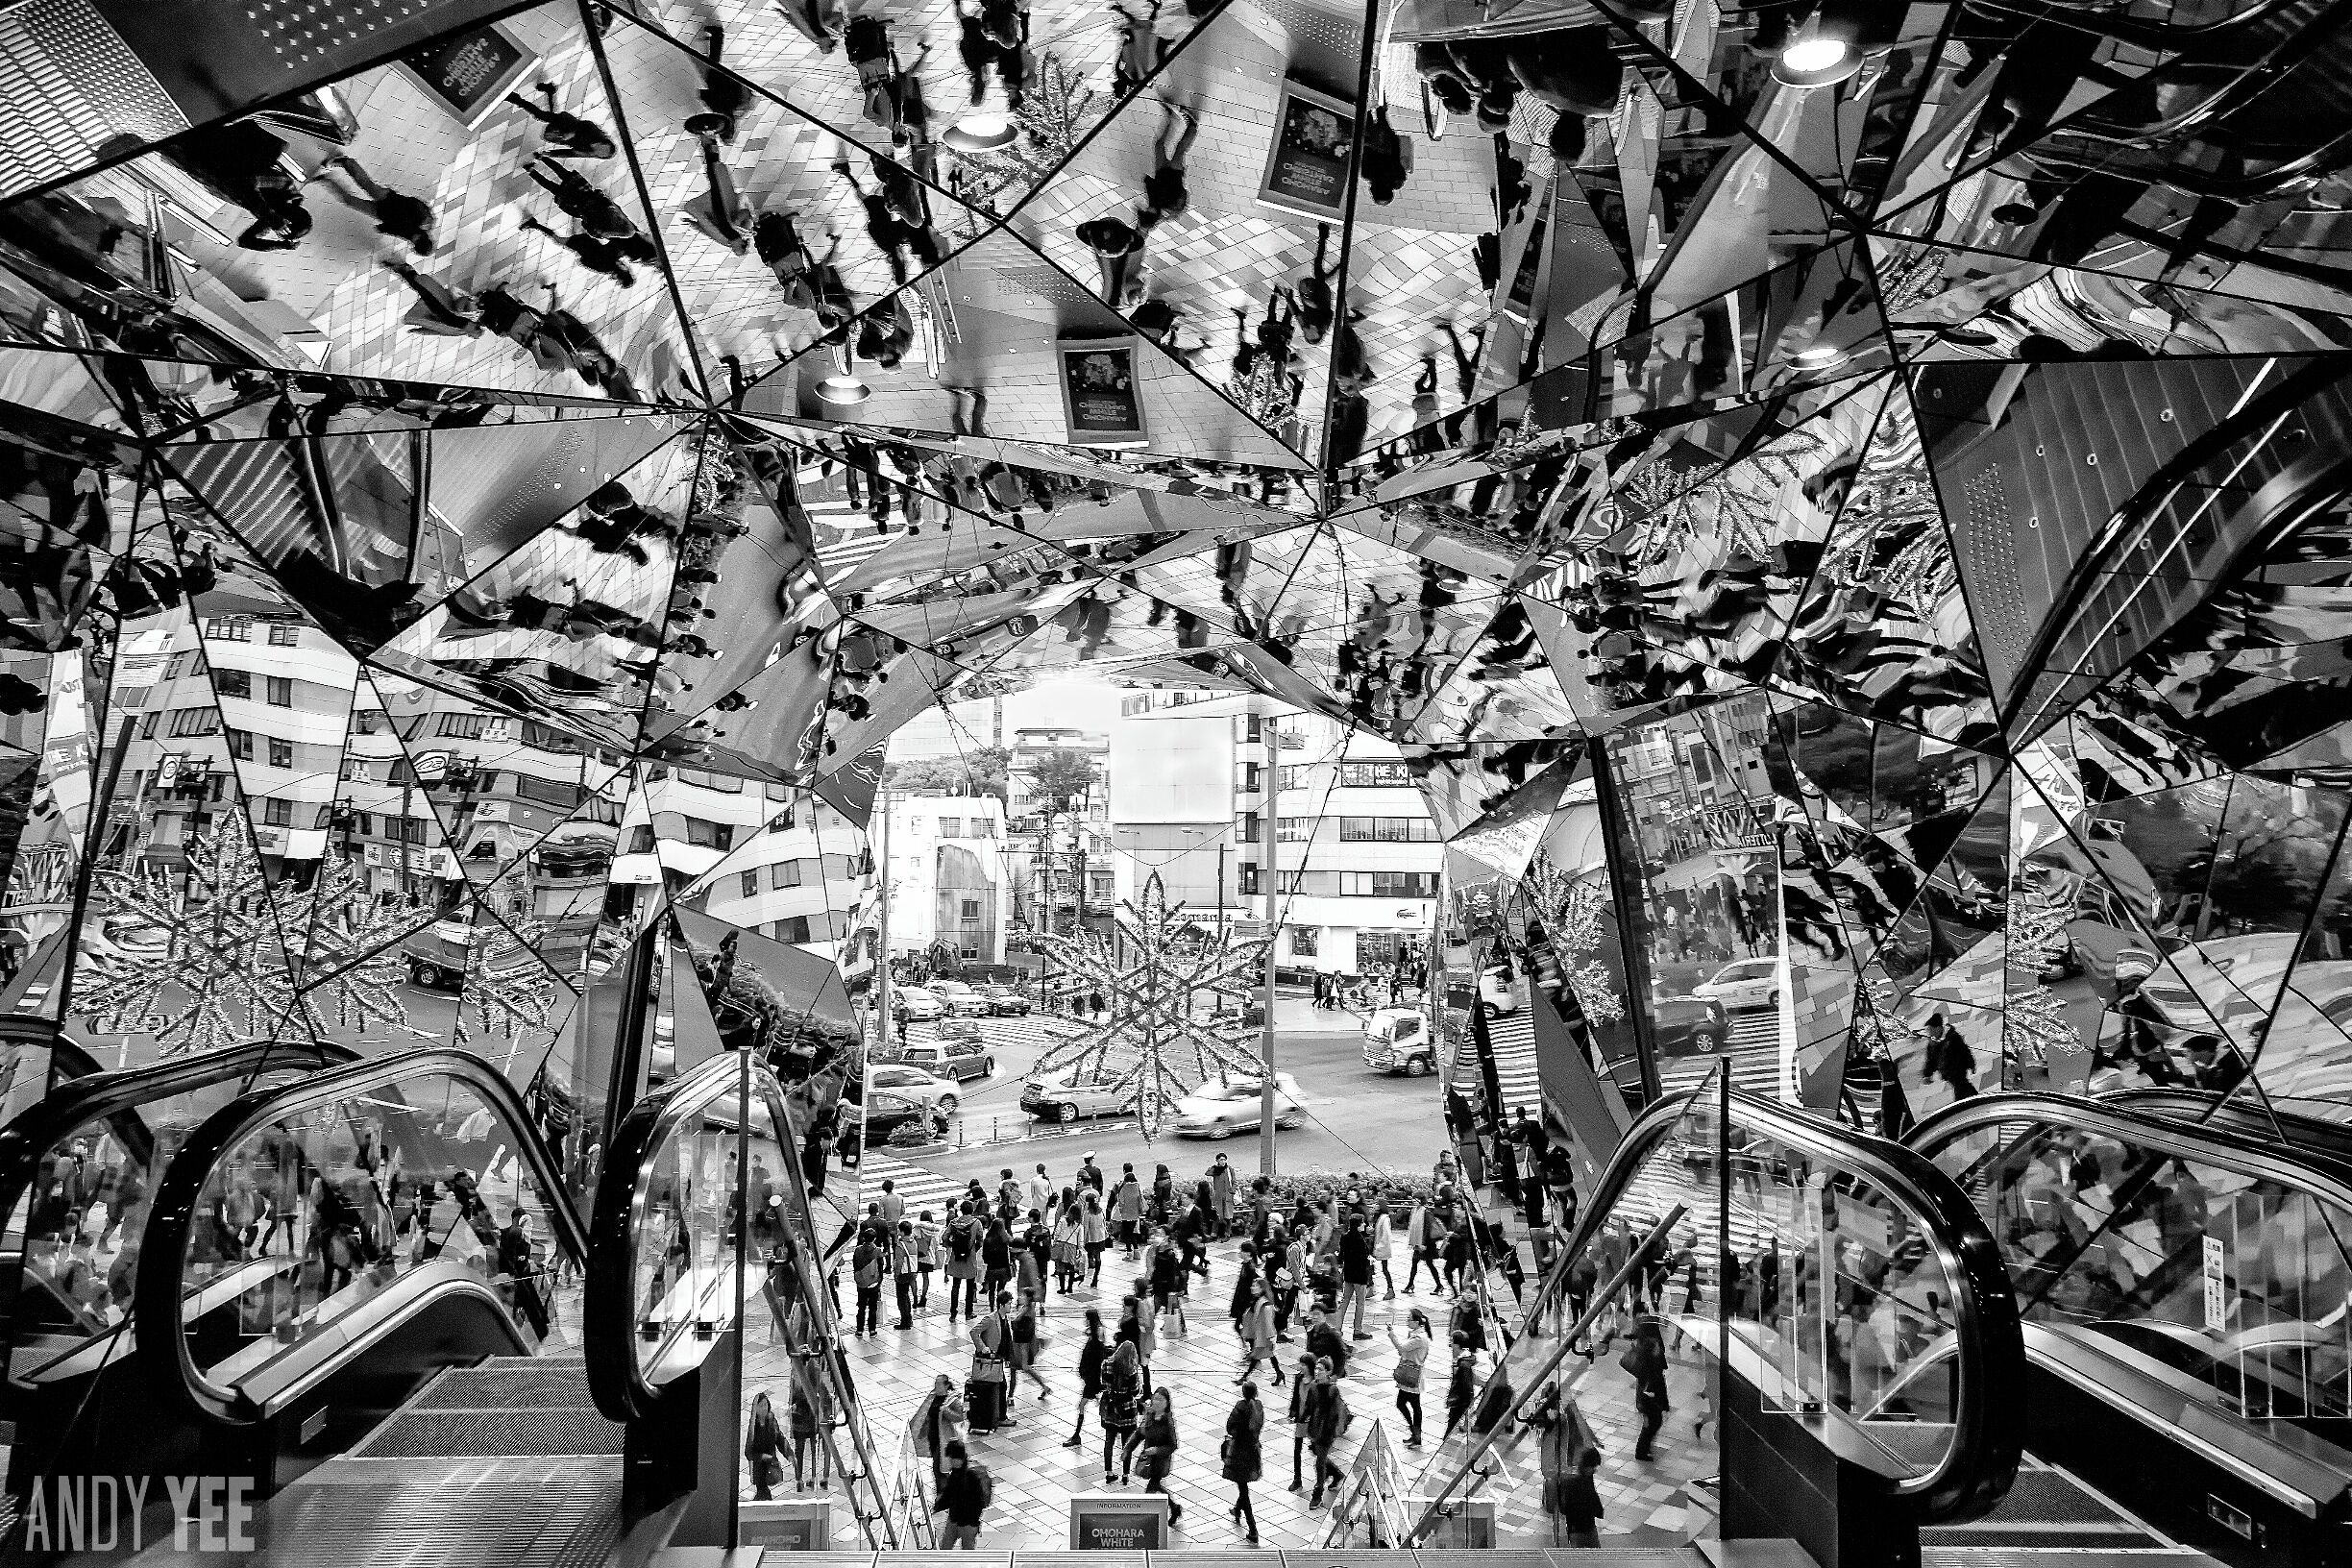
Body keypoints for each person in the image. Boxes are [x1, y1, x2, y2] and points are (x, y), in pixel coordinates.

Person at [1301, 1357, 1349, 1507]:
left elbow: (1334, 1414)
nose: (1316, 1372)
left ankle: (1318, 1493)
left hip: (1326, 1432)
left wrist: (1328, 1432)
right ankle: (1337, 1474)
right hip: (1315, 1429)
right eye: (1315, 1369)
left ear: (1328, 1372)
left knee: (1319, 1462)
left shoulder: (1332, 1390)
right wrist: (1302, 1418)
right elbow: (1309, 1406)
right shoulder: (1314, 1387)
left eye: (1320, 1370)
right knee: (1319, 1455)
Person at [1134, 1386, 1184, 1524]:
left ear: (1167, 1403)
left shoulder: (1168, 1422)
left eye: (1161, 1400)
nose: (1157, 1402)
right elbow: (1139, 1433)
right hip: (1149, 1461)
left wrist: (1156, 1450)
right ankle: (1175, 1508)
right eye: (1155, 1398)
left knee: (1151, 1489)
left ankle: (1145, 1519)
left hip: (1161, 1462)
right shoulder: (1150, 1415)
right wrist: (1127, 1449)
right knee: (1157, 1487)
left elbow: (1173, 1445)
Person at [1223, 1381, 1264, 1543]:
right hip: (1253, 1451)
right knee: (1243, 1485)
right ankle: (1237, 1509)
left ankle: (1253, 1529)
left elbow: (1230, 1427)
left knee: (1243, 1489)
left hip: (1240, 1452)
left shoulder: (1240, 1407)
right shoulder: (1259, 1406)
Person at [931, 1439, 992, 1548]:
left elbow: (979, 1501)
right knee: (944, 1549)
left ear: (955, 1457)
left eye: (950, 1457)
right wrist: (939, 1505)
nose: (949, 1460)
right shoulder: (955, 1472)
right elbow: (950, 1493)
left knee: (966, 1555)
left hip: (968, 1523)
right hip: (955, 1518)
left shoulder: (971, 1476)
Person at [1626, 1316, 1671, 1459]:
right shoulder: (1651, 1366)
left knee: (1652, 1424)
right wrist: (1655, 1399)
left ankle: (1644, 1448)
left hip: (1650, 1401)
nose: (1660, 1349)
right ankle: (1642, 1451)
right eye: (1657, 1348)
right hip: (1650, 1402)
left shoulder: (1651, 1362)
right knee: (1651, 1424)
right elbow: (1651, 1386)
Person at [1098, 1339, 1142, 1484]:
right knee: (1127, 1443)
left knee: (1109, 1440)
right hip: (1127, 1409)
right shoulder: (1131, 1370)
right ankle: (1125, 1475)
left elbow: (1103, 1383)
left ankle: (1109, 1472)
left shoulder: (1106, 1364)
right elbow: (1135, 1391)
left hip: (1110, 1407)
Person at [1065, 1307, 1108, 1447]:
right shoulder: (1096, 1334)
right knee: (1096, 1403)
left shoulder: (1096, 1338)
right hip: (1093, 1377)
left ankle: (1077, 1435)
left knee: (1082, 1405)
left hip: (1093, 1378)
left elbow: (1096, 1357)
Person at [1387, 1308, 1431, 1447]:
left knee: (1408, 1405)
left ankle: (1416, 1434)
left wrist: (1392, 1333)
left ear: (1417, 1322)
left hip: (1412, 1376)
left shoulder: (1419, 1338)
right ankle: (1415, 1434)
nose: (1408, 1321)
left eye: (1409, 1319)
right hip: (1410, 1375)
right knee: (1410, 1405)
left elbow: (1401, 1348)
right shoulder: (1416, 1335)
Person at [1921, 1013, 1978, 1101]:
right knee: (1964, 1087)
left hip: (1958, 1069)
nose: (1930, 1033)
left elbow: (1964, 1050)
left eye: (1931, 1030)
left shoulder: (1952, 1037)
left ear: (1938, 1028)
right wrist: (1927, 1074)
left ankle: (1964, 1104)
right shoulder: (1932, 1044)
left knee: (1961, 1087)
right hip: (1947, 1072)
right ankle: (1975, 1099)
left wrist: (1971, 1064)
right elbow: (1931, 1060)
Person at [1337, 1213, 1375, 1338]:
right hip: (1360, 1276)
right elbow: (1364, 1258)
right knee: (1360, 1303)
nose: (1364, 1225)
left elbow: (1341, 1256)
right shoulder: (1360, 1240)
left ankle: (1337, 1328)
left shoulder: (1345, 1237)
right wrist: (1370, 1261)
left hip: (1348, 1274)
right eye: (1362, 1223)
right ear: (1358, 1224)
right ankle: (1357, 1330)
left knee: (1345, 1301)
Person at [1237, 1280, 1282, 1384]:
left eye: (1255, 1286)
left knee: (1255, 1357)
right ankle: (1279, 1373)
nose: (1252, 1288)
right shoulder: (1256, 1301)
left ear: (1261, 1288)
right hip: (1259, 1335)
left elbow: (1268, 1323)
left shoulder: (1264, 1305)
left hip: (1263, 1336)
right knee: (1267, 1355)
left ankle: (1244, 1378)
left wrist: (1270, 1338)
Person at [746, 1390, 786, 1500]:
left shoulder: (771, 1421)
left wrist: (789, 1453)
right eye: (761, 1405)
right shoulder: (753, 1428)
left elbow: (779, 1438)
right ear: (756, 1409)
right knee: (763, 1492)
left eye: (766, 1405)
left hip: (770, 1465)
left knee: (764, 1494)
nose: (764, 1408)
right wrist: (762, 1456)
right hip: (759, 1467)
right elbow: (748, 1452)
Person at [1011, 1287, 1049, 1400]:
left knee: (1023, 1367)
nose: (1021, 1297)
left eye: (1023, 1295)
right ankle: (1010, 1395)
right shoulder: (1027, 1309)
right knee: (1017, 1368)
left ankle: (1044, 1386)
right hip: (1020, 1342)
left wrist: (1014, 1321)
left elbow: (1018, 1324)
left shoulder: (1028, 1311)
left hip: (1022, 1343)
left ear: (1027, 1297)